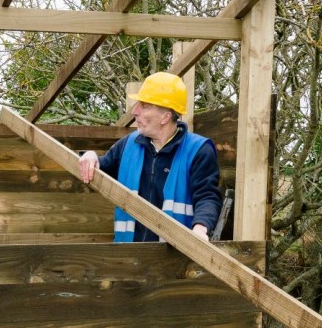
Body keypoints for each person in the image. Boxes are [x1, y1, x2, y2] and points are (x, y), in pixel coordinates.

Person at [76, 71, 221, 243]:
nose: (135, 111)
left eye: (144, 106)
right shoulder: (128, 144)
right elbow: (101, 166)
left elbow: (207, 196)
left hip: (174, 258)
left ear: (165, 117)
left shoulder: (198, 150)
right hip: (127, 257)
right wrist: (90, 155)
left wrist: (200, 229)